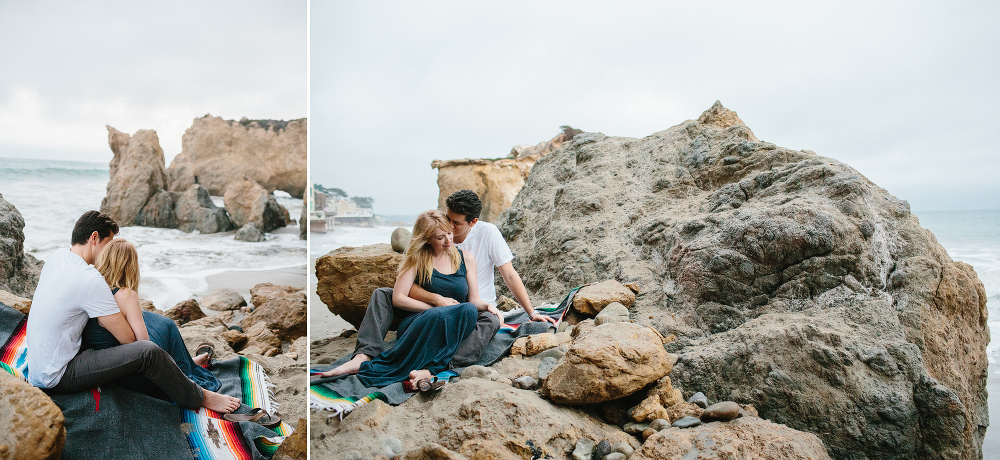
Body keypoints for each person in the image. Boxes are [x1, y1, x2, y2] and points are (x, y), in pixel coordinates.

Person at [26, 210, 239, 413]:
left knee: (158, 321)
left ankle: (180, 368)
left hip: (44, 360)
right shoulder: (89, 280)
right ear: (94, 238)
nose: (109, 251)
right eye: (108, 244)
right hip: (59, 374)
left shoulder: (58, 257)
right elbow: (129, 341)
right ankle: (199, 396)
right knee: (148, 351)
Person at [324, 189, 553, 377]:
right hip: (433, 310)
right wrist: (435, 300)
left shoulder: (481, 240)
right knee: (382, 294)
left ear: (472, 222)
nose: (449, 230)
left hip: (464, 310)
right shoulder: (425, 251)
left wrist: (530, 312)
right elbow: (404, 291)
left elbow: (508, 275)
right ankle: (364, 355)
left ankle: (442, 365)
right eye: (446, 223)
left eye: (454, 225)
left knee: (483, 316)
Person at [349, 210, 483, 388]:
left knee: (479, 314)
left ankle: (436, 365)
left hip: (455, 321)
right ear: (428, 239)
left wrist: (490, 307)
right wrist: (436, 304)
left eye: (449, 233)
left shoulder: (466, 258)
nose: (448, 240)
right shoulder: (418, 259)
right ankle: (364, 355)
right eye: (440, 238)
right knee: (382, 293)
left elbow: (473, 300)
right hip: (423, 322)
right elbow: (398, 298)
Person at [79, 238, 221, 400]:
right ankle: (183, 372)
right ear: (131, 266)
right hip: (131, 376)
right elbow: (146, 348)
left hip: (102, 367)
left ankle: (185, 365)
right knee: (167, 326)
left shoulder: (92, 287)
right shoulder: (126, 296)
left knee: (162, 323)